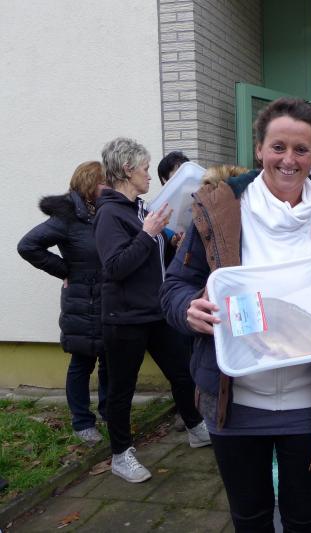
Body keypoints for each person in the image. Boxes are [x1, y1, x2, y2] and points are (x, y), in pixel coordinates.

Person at [159, 97, 311, 532]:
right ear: (260, 149)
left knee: (304, 519)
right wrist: (187, 309)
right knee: (250, 518)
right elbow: (175, 287)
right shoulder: (220, 209)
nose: (289, 159)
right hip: (234, 401)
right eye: (278, 147)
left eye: (301, 149)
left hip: (309, 403)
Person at [94, 137, 209, 484]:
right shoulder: (109, 213)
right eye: (145, 168)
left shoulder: (140, 207)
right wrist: (148, 234)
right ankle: (120, 455)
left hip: (156, 310)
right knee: (122, 389)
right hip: (125, 318)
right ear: (127, 169)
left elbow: (150, 255)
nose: (148, 174)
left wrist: (169, 240)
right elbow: (115, 267)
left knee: (182, 373)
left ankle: (195, 427)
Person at [18, 161, 109, 444]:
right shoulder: (67, 217)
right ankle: (82, 422)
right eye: (104, 182)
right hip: (83, 302)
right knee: (82, 361)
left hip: (108, 299)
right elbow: (27, 246)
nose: (109, 187)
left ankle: (109, 413)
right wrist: (65, 270)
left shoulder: (103, 211)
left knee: (109, 359)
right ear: (90, 184)